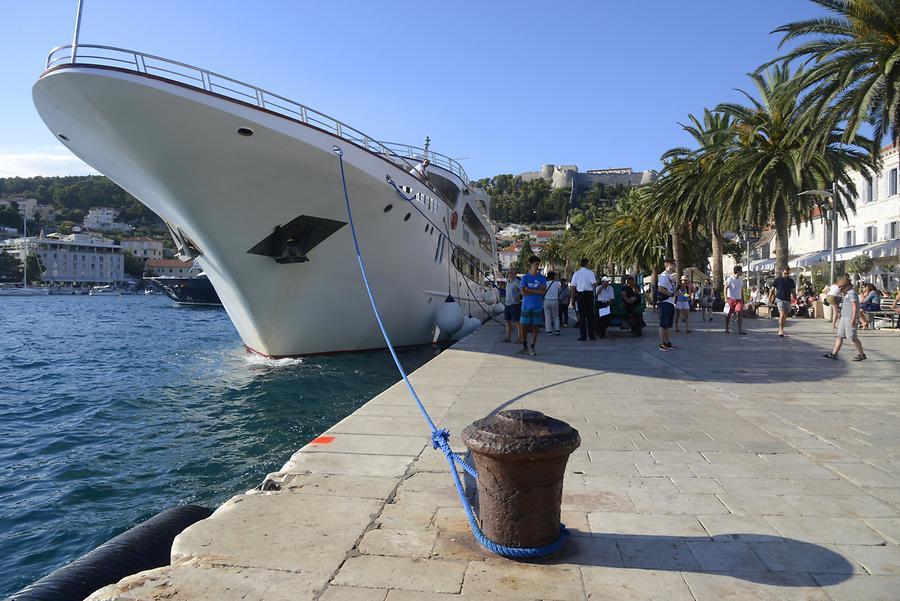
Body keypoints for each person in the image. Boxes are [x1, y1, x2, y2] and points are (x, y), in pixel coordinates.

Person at [823, 277, 867, 361]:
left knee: (853, 337)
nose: (840, 290)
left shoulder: (851, 293)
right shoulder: (846, 293)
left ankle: (862, 354)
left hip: (850, 317)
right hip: (844, 317)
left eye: (841, 288)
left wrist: (854, 318)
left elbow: (854, 306)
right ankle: (834, 354)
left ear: (847, 286)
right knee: (839, 335)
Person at [519, 256, 547, 355]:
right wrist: (536, 291)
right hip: (526, 306)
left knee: (535, 327)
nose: (537, 266)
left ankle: (532, 347)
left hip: (537, 305)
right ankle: (525, 346)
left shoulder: (542, 278)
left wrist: (529, 289)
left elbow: (543, 292)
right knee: (523, 327)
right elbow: (523, 293)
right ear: (530, 264)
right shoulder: (525, 278)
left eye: (538, 264)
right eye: (535, 264)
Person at [570, 258, 597, 341]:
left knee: (582, 316)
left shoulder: (576, 274)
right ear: (586, 264)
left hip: (580, 295)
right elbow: (594, 284)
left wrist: (572, 299)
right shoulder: (591, 273)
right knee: (590, 316)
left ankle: (583, 336)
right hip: (588, 295)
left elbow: (573, 287)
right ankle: (592, 335)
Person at [657, 258, 678, 350]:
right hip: (665, 302)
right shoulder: (664, 275)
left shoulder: (670, 276)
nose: (675, 266)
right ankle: (662, 343)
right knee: (663, 323)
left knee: (668, 324)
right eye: (674, 264)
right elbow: (660, 288)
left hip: (670, 302)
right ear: (668, 265)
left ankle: (667, 342)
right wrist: (671, 294)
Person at [769, 268, 796, 337]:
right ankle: (780, 330)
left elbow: (793, 291)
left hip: (787, 299)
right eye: (785, 273)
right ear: (782, 272)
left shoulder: (791, 281)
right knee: (782, 313)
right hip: (779, 299)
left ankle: (782, 329)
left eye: (788, 274)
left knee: (785, 315)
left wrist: (795, 298)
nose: (786, 275)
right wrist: (769, 298)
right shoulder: (778, 280)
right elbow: (772, 290)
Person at [724, 265, 747, 335]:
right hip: (731, 299)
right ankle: (727, 328)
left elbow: (741, 290)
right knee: (728, 315)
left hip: (739, 299)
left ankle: (740, 330)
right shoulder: (730, 279)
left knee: (739, 312)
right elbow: (725, 288)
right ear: (737, 272)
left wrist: (743, 300)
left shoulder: (740, 280)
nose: (742, 272)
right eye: (741, 271)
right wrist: (725, 298)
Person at [503, 272, 522, 343]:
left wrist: (519, 297)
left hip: (515, 304)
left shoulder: (517, 282)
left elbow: (522, 289)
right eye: (509, 272)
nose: (509, 273)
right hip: (507, 304)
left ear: (515, 274)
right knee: (508, 321)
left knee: (517, 322)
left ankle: (520, 337)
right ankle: (508, 337)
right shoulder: (508, 282)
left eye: (511, 272)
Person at [543, 271, 561, 336]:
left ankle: (549, 331)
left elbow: (543, 292)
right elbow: (559, 292)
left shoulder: (545, 283)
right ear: (554, 276)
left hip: (546, 301)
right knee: (556, 316)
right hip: (555, 300)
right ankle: (557, 330)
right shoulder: (557, 284)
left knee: (547, 316)